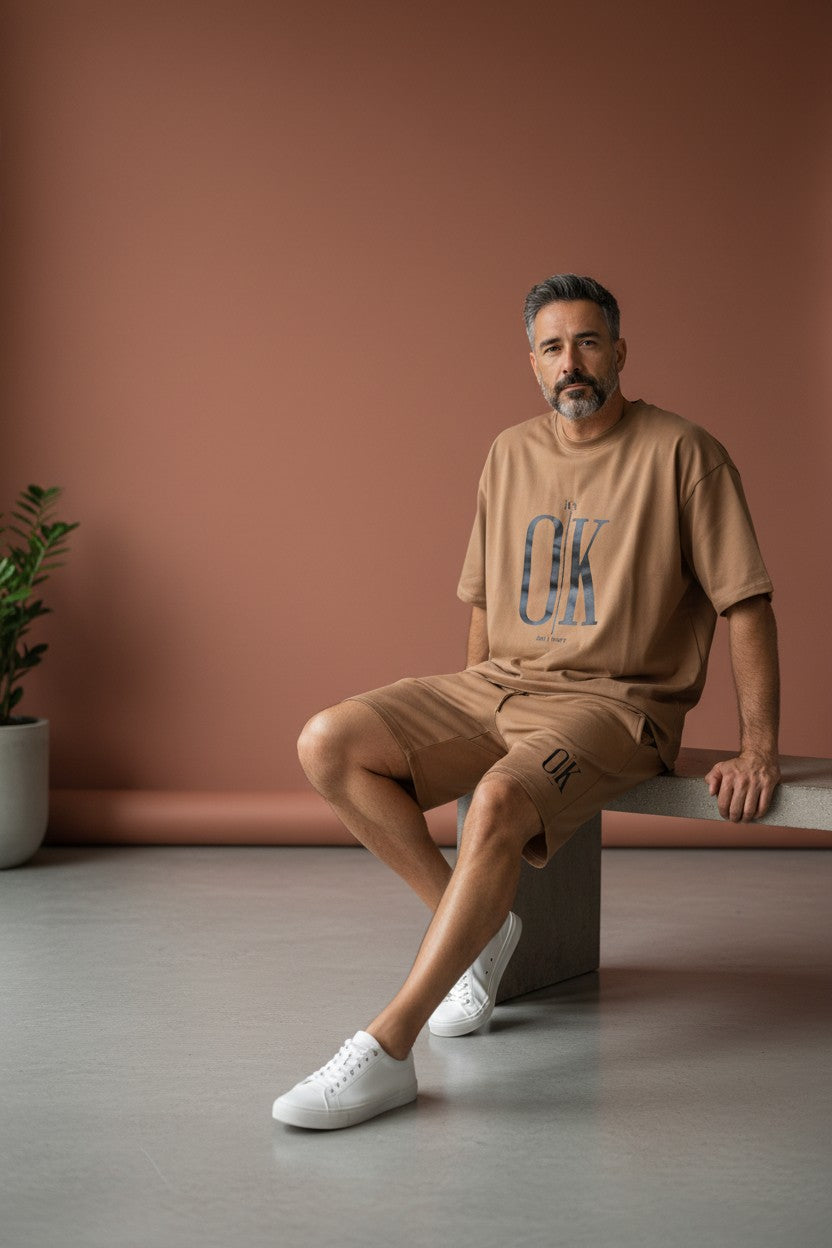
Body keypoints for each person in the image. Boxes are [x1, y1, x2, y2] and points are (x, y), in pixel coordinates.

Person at [272, 274, 781, 1131]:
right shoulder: (509, 452)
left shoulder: (685, 452)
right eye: (552, 348)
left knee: (501, 802)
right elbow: (483, 602)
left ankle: (388, 1048)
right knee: (327, 742)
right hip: (500, 685)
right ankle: (477, 933)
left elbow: (747, 604)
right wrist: (475, 723)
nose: (570, 363)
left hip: (620, 705)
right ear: (533, 364)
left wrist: (757, 745)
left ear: (619, 353)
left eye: (587, 343)